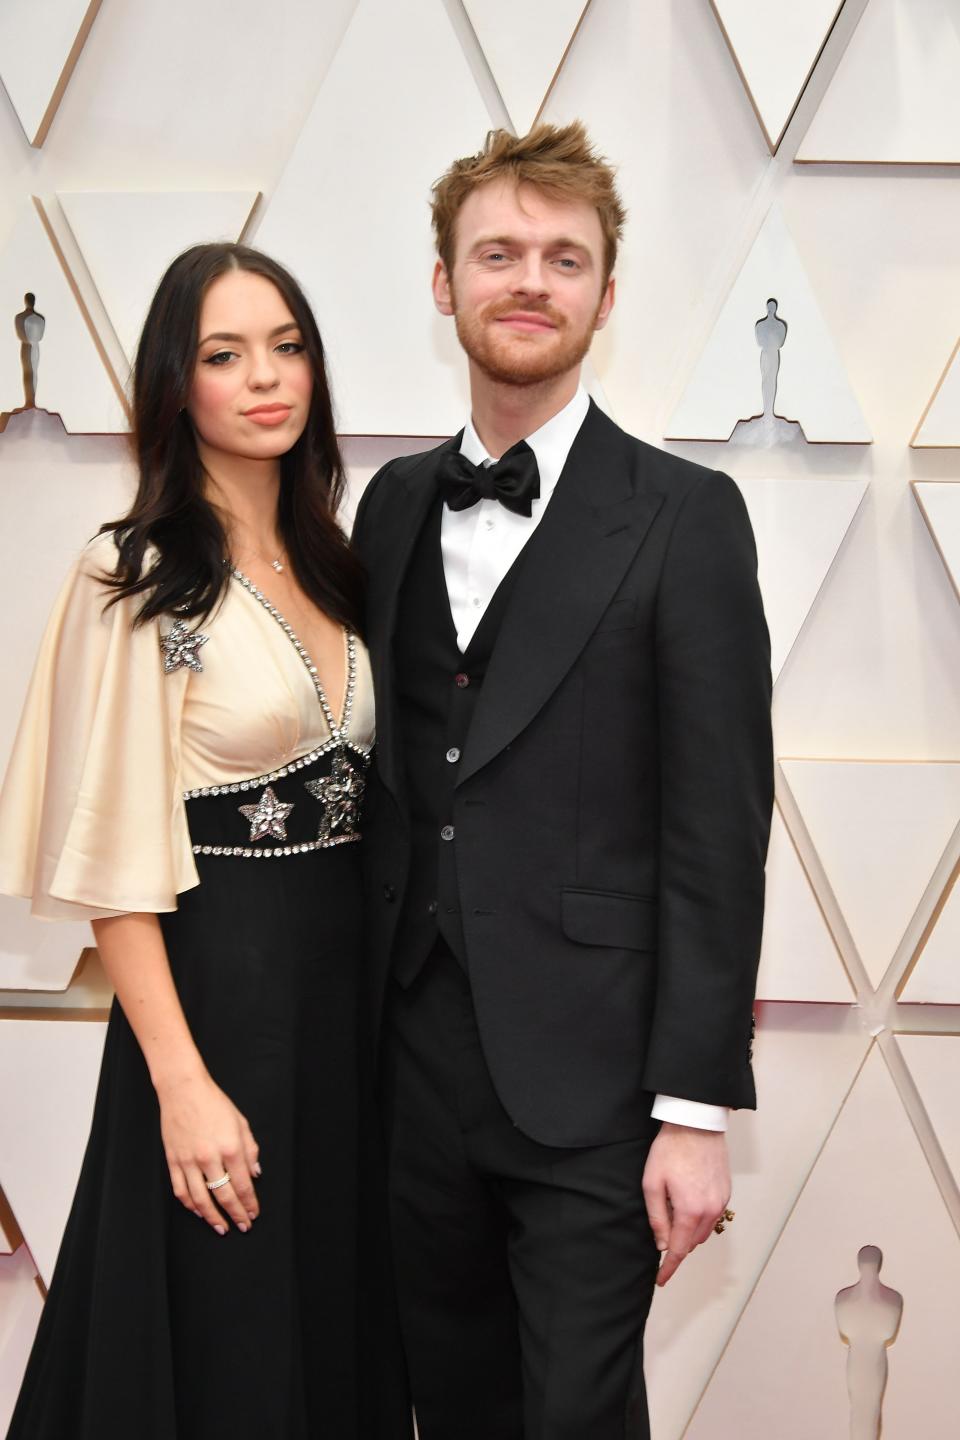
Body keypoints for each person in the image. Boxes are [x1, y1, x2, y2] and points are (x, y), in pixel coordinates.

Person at [351, 122, 774, 1438]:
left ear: (604, 289)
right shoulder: (391, 504)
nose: (529, 280)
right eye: (498, 253)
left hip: (596, 1088)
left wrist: (694, 1112)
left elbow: (718, 830)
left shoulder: (685, 517)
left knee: (578, 1420)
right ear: (444, 284)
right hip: (409, 1067)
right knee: (452, 1411)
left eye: (563, 258)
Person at [0, 244, 409, 1439]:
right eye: (224, 355)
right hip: (213, 1011)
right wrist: (183, 1087)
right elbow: (113, 860)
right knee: (220, 1345)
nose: (265, 377)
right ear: (177, 386)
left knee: (335, 1331)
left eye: (287, 346)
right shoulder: (132, 575)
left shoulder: (343, 565)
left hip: (351, 1018)